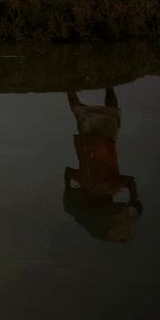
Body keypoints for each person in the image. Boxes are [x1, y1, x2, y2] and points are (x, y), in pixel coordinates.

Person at [64, 87, 140, 242]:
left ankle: (109, 84)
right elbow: (68, 172)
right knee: (79, 113)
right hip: (86, 144)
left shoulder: (109, 187)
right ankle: (69, 87)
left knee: (112, 114)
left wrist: (133, 198)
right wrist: (68, 186)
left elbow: (130, 181)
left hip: (103, 144)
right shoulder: (85, 183)